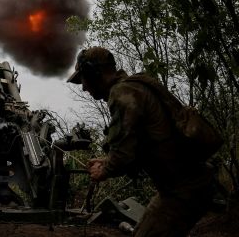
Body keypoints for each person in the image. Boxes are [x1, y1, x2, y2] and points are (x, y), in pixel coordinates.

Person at [67, 47, 214, 236]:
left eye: (83, 80)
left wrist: (104, 170)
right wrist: (106, 161)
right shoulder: (135, 87)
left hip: (184, 188)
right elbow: (138, 147)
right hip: (186, 184)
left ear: (94, 74)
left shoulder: (122, 94)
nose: (84, 88)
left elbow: (122, 156)